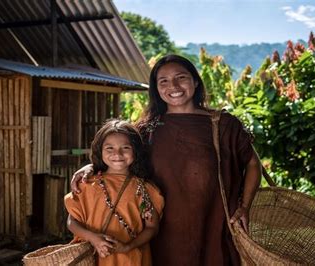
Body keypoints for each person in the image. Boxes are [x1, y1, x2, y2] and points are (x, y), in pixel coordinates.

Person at [70, 54, 261, 265]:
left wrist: (244, 207)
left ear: (195, 81)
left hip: (214, 226)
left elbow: (253, 164)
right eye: (164, 81)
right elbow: (119, 155)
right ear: (156, 89)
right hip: (159, 231)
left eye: (181, 77)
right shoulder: (147, 129)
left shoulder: (223, 125)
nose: (174, 86)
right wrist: (90, 167)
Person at [64, 119, 164, 265]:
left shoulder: (145, 189)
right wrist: (92, 238)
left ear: (135, 150)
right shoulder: (87, 184)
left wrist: (128, 247)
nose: (117, 154)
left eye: (125, 148)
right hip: (92, 257)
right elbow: (71, 221)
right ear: (100, 150)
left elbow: (152, 227)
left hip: (129, 258)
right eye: (109, 148)